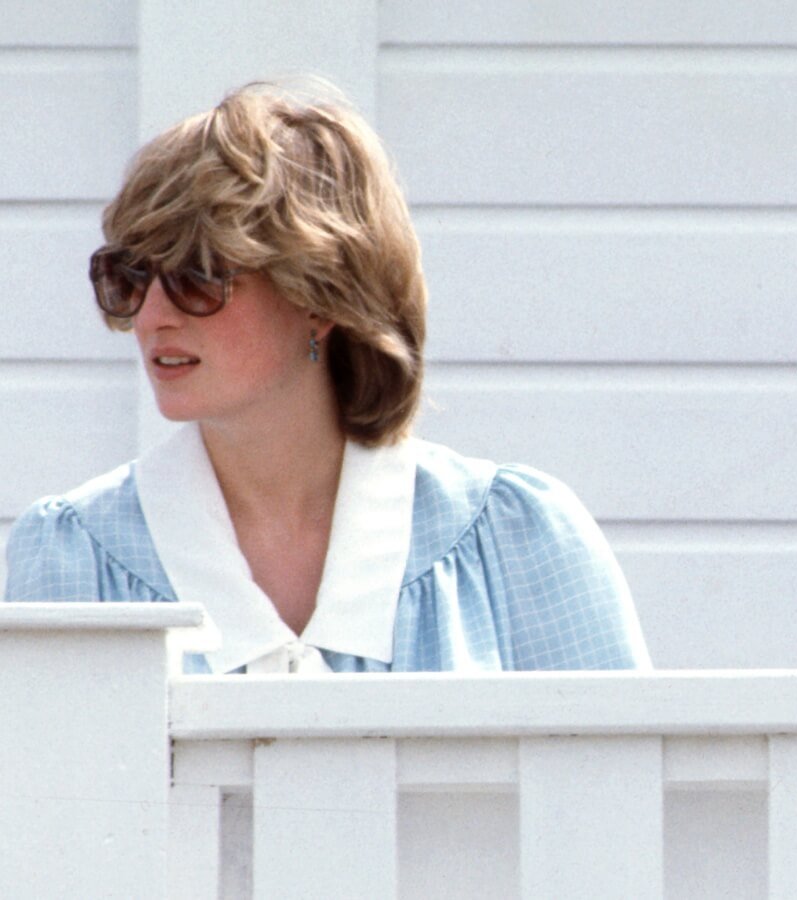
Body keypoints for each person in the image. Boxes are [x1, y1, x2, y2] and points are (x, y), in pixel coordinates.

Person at [5, 81, 651, 674]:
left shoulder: (518, 543)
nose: (151, 314)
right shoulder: (70, 558)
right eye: (131, 276)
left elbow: (618, 793)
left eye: (197, 275)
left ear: (320, 295)